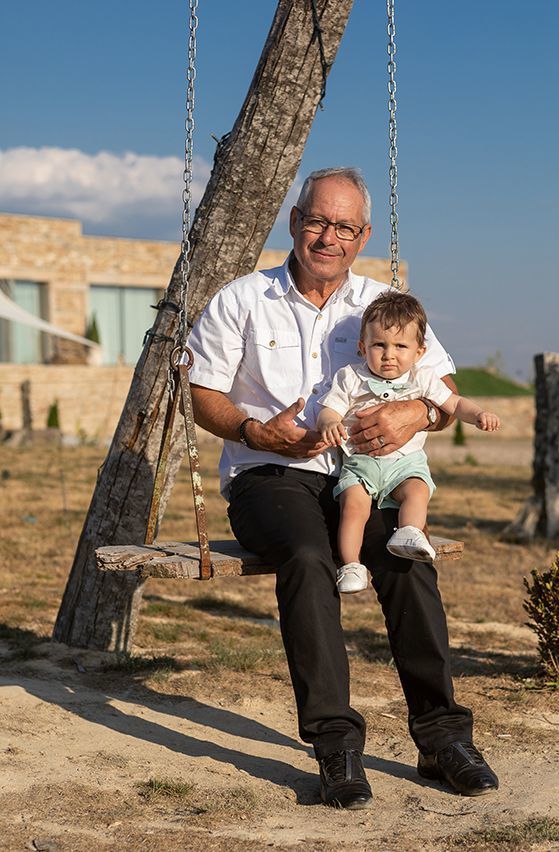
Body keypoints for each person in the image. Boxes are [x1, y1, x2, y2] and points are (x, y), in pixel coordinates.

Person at [187, 167, 499, 810]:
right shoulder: (240, 299)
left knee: (408, 555)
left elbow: (438, 392)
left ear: (362, 237)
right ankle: (336, 745)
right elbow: (202, 396)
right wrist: (256, 431)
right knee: (306, 556)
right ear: (295, 222)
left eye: (345, 227)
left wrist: (418, 415)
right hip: (270, 474)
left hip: (366, 476)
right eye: (318, 221)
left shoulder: (387, 304)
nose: (329, 236)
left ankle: (442, 738)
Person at [317, 291, 500, 593]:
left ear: (419, 351)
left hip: (405, 465)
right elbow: (330, 409)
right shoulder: (350, 377)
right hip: (362, 465)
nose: (389, 354)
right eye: (379, 345)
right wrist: (330, 423)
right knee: (353, 506)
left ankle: (409, 532)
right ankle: (351, 565)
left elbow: (453, 404)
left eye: (401, 346)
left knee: (418, 490)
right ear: (363, 348)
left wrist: (478, 414)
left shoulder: (423, 378)